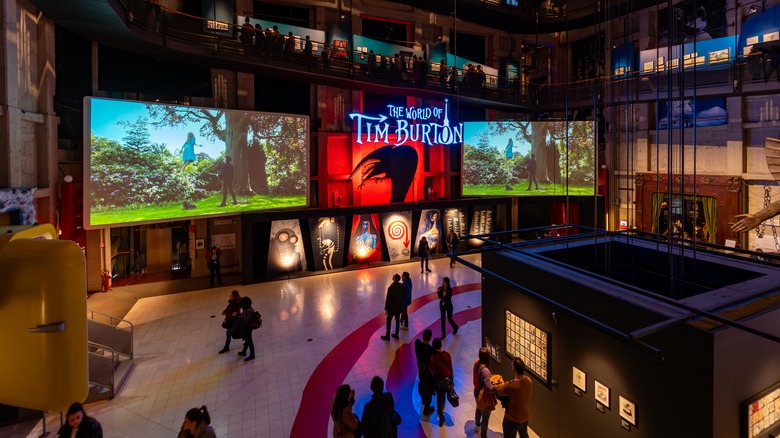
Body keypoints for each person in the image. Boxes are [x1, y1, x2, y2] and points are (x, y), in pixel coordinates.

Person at [494, 357, 533, 438]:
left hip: (512, 420)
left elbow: (498, 389)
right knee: (524, 435)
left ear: (514, 368)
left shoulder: (511, 385)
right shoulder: (529, 381)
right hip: (525, 418)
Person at [429, 336, 454, 426]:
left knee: (439, 398)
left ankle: (441, 416)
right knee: (444, 397)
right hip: (447, 380)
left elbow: (432, 371)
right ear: (441, 345)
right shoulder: (447, 355)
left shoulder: (433, 357)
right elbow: (451, 369)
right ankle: (442, 409)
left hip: (438, 381)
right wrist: (451, 382)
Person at [473, 347, 495, 438]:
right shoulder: (485, 370)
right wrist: (494, 387)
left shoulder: (477, 363)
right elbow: (488, 387)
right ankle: (483, 435)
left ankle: (477, 426)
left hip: (477, 391)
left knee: (478, 409)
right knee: (486, 416)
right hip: (484, 396)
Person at [414, 329, 436, 417]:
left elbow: (417, 341)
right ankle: (427, 407)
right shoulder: (431, 350)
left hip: (420, 369)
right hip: (428, 371)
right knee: (429, 388)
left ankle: (423, 400)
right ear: (430, 337)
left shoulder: (418, 345)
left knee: (422, 382)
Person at [381, 274, 405, 341]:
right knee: (397, 320)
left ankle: (387, 335)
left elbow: (388, 299)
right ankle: (396, 334)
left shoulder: (391, 288)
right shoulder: (401, 286)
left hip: (392, 308)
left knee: (389, 320)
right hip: (398, 307)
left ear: (394, 279)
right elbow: (403, 295)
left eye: (393, 276)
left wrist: (386, 308)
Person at [234, 296, 258, 361]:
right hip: (249, 328)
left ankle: (252, 355)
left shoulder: (246, 311)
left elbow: (245, 321)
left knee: (249, 341)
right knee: (247, 340)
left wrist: (239, 316)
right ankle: (244, 351)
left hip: (247, 328)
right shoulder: (250, 308)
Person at [218, 290, 241, 354]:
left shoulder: (235, 304)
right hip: (233, 321)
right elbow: (229, 309)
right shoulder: (232, 302)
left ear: (234, 296)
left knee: (229, 333)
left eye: (231, 295)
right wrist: (225, 311)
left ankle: (226, 347)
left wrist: (227, 319)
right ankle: (226, 347)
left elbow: (234, 315)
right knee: (229, 333)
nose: (229, 296)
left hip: (233, 322)